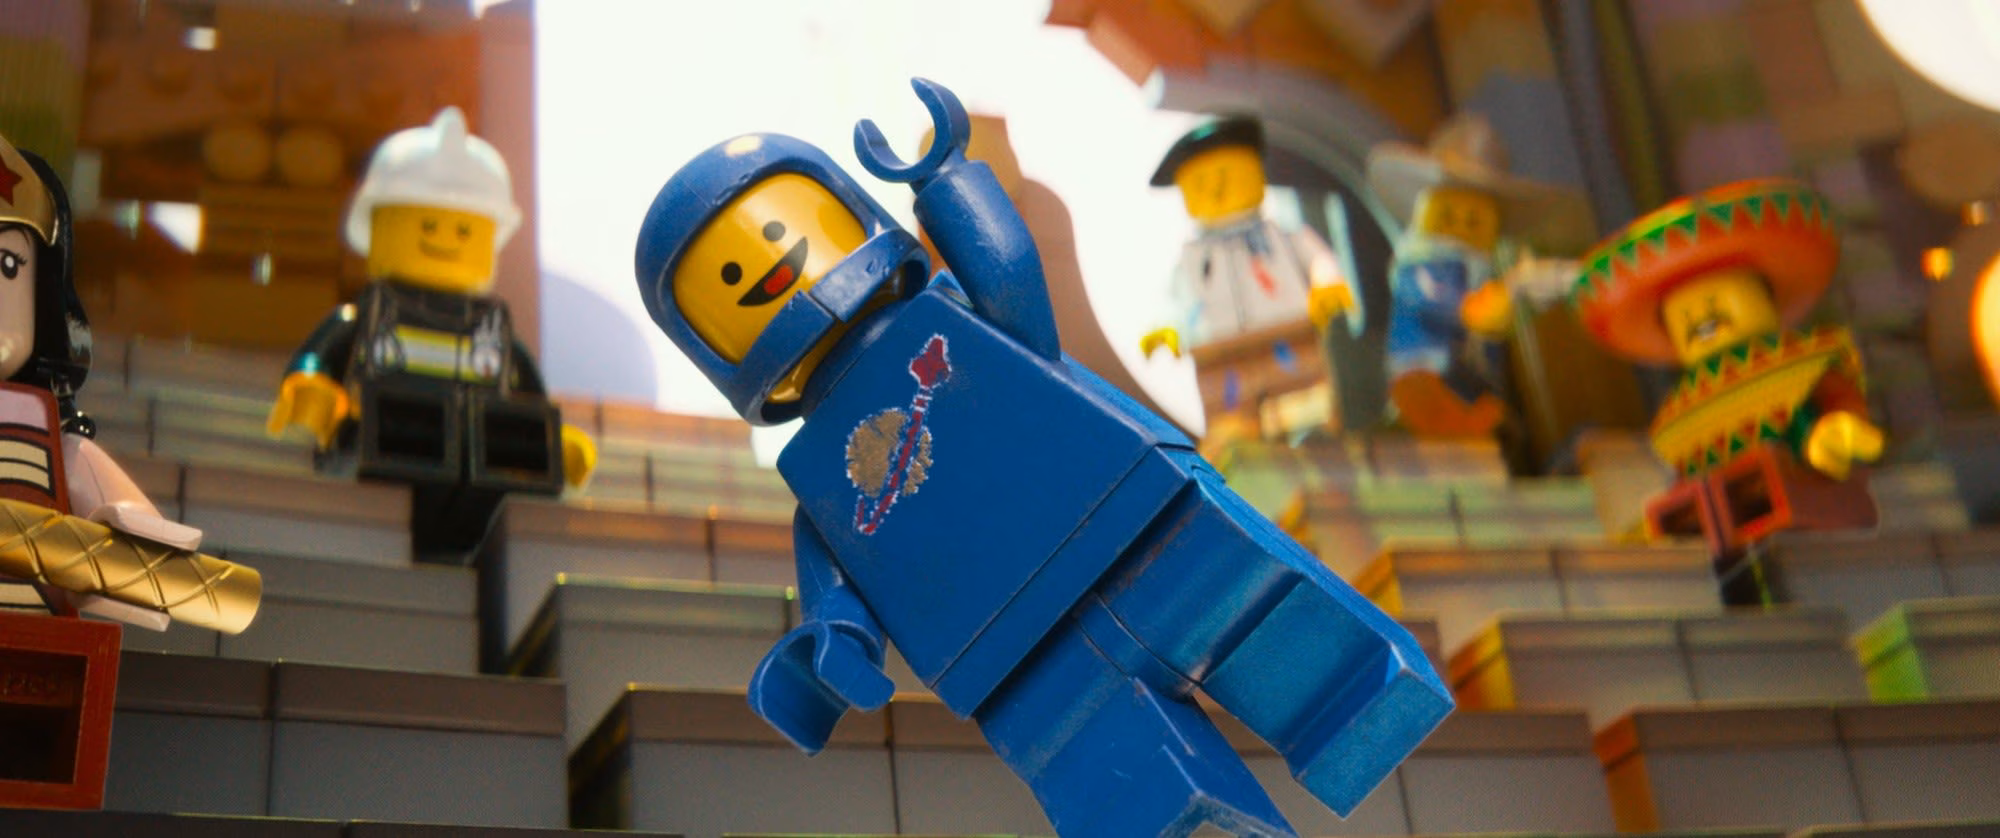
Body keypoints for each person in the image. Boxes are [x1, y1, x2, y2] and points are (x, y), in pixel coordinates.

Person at [633, 80, 1450, 838]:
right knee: (1132, 786)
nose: (772, 265)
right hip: (1016, 653)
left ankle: (1364, 706)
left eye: (778, 228)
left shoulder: (946, 318)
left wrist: (948, 182)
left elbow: (1015, 286)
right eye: (729, 275)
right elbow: (837, 594)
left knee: (1286, 636)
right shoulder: (820, 479)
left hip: (1136, 517)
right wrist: (833, 646)